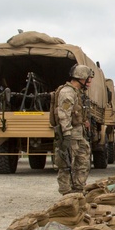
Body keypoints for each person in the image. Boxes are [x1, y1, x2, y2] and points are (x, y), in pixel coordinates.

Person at [50, 64, 93, 194]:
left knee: (83, 162)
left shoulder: (77, 93)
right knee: (66, 165)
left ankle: (78, 189)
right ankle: (66, 193)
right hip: (70, 134)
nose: (90, 82)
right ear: (81, 78)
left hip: (79, 134)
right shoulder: (67, 92)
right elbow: (64, 114)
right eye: (88, 79)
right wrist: (67, 136)